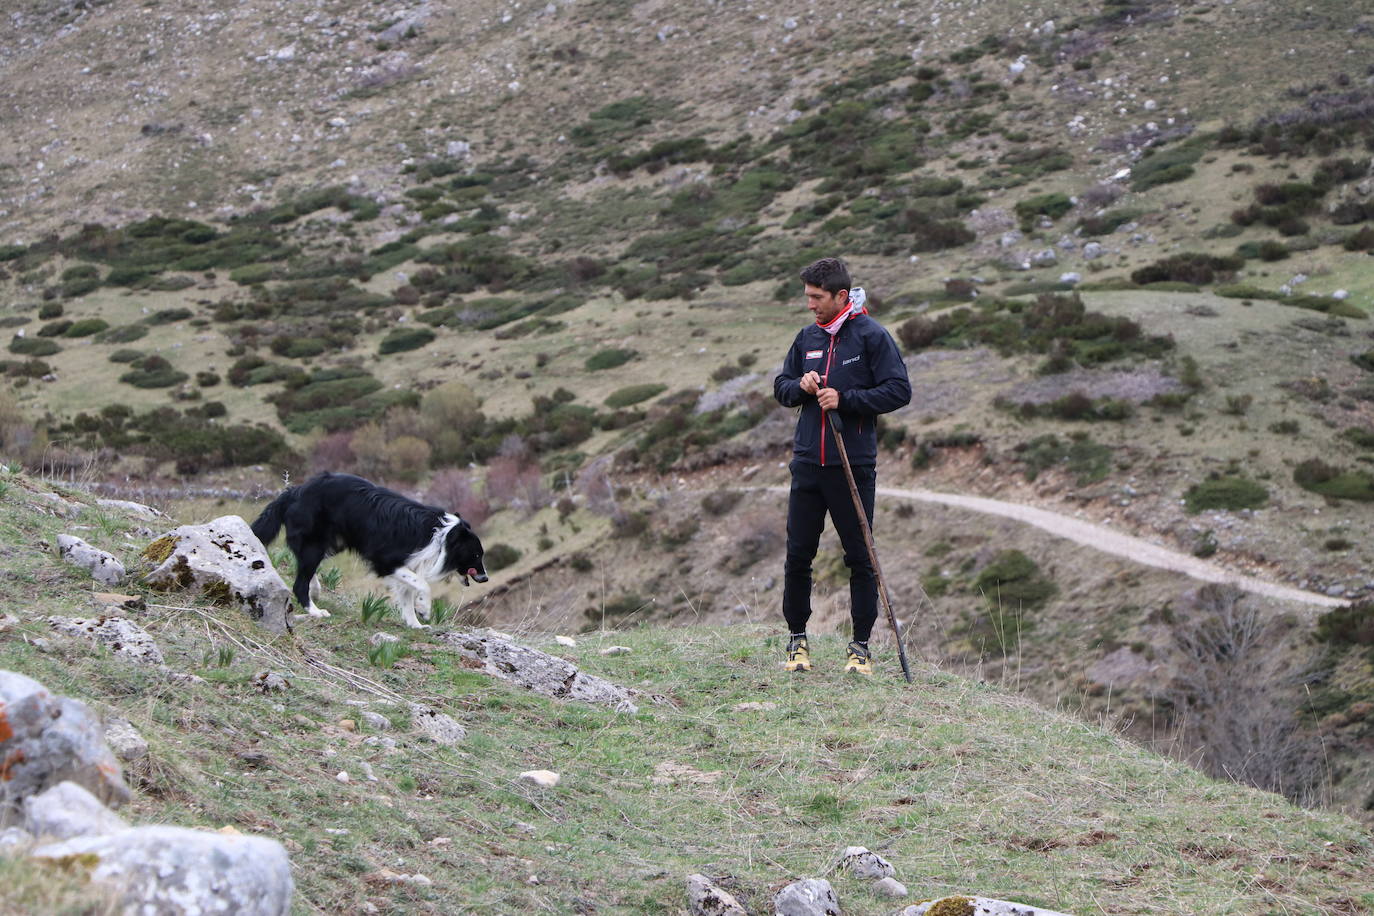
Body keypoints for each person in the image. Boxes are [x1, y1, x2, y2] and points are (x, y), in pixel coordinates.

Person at [772, 257, 912, 675]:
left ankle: (861, 648)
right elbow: (780, 386)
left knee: (860, 559)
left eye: (817, 298)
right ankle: (797, 641)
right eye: (808, 298)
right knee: (798, 555)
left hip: (853, 465)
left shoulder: (871, 336)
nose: (811, 305)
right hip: (807, 466)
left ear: (841, 296)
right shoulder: (806, 338)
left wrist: (846, 400)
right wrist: (799, 386)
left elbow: (899, 390)